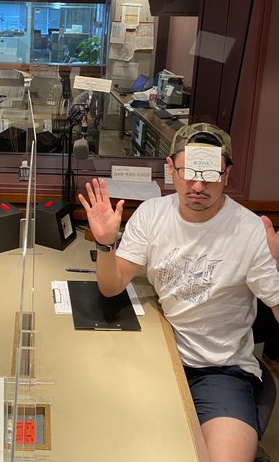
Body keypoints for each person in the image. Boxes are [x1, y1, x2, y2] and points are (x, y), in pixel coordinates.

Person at [79, 123, 279, 462]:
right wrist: (105, 243)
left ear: (227, 175)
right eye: (188, 172)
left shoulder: (251, 231)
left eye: (211, 174)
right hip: (158, 355)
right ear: (171, 169)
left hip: (221, 370)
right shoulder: (152, 214)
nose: (198, 185)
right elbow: (112, 286)